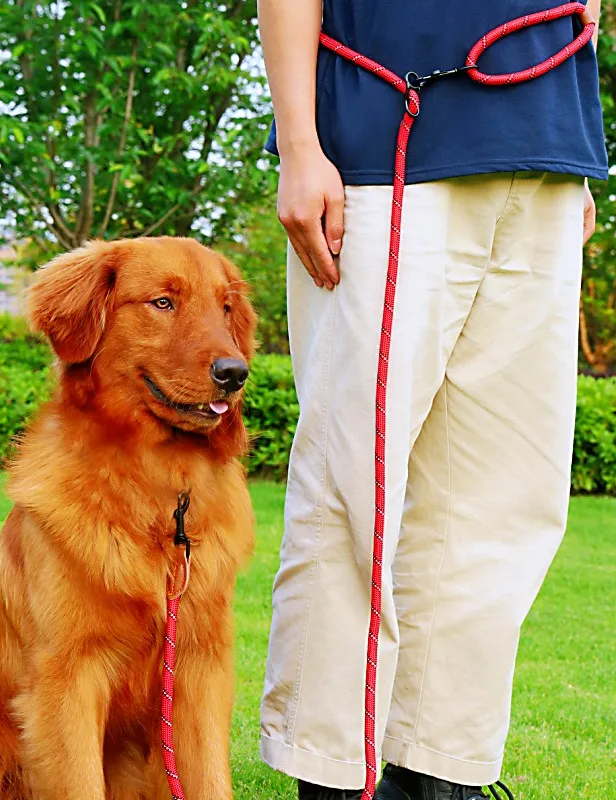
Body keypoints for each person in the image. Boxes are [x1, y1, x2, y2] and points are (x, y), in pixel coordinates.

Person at [257, 1, 607, 799]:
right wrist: (300, 148)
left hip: (545, 154)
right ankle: (332, 775)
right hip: (387, 148)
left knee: (502, 506)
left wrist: (571, 147)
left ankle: (439, 774)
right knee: (355, 485)